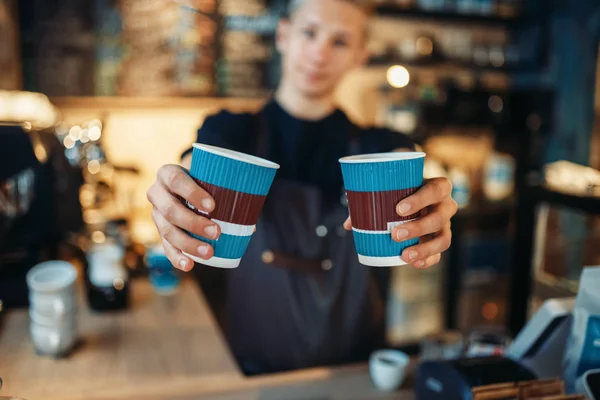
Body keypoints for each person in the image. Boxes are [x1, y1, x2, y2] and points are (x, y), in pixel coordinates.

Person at [146, 0, 457, 375]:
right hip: (255, 373)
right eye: (310, 32)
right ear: (283, 35)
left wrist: (429, 210)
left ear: (360, 56)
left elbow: (411, 174)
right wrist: (176, 193)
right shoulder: (230, 132)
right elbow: (196, 165)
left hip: (355, 376)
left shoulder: (381, 148)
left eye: (340, 42)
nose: (320, 53)